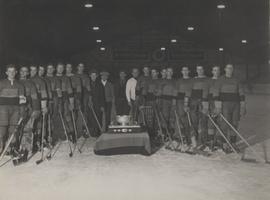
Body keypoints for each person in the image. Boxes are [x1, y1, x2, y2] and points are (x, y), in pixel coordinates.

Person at [213, 64, 246, 152]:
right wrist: (218, 106)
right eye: (228, 68)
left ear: (233, 69)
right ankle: (224, 143)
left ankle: (233, 142)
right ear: (225, 69)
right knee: (225, 123)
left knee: (234, 124)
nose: (229, 70)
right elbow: (216, 93)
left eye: (231, 68)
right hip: (225, 105)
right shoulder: (220, 80)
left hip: (236, 105)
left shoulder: (236, 80)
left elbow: (241, 93)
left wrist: (243, 105)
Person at [0, 64, 26, 156]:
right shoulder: (1, 83)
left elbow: (22, 100)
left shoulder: (20, 85)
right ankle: (0, 149)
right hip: (3, 110)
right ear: (6, 72)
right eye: (9, 71)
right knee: (1, 130)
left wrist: (22, 112)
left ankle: (11, 148)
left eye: (13, 71)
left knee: (13, 130)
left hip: (15, 110)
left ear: (16, 72)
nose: (11, 73)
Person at [18, 66, 40, 161]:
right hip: (16, 110)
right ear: (19, 72)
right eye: (22, 71)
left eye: (26, 71)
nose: (24, 73)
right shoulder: (15, 82)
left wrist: (36, 109)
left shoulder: (30, 84)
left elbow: (35, 97)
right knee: (17, 130)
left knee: (27, 129)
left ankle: (25, 150)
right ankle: (15, 148)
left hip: (28, 109)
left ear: (28, 73)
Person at [189, 65, 209, 150]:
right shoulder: (193, 80)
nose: (200, 71)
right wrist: (187, 103)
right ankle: (194, 141)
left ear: (203, 70)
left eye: (201, 69)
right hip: (193, 102)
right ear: (196, 70)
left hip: (203, 101)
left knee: (203, 122)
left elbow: (208, 91)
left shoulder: (207, 79)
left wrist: (205, 102)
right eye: (198, 69)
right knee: (194, 122)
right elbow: (188, 91)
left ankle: (203, 141)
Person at [55, 63, 75, 142]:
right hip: (56, 100)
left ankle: (72, 133)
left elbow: (70, 90)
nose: (60, 69)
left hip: (65, 99)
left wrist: (71, 102)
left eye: (61, 68)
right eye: (59, 68)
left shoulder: (66, 78)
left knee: (67, 115)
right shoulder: (54, 77)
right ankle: (64, 133)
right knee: (59, 116)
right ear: (56, 68)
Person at [29, 65, 48, 151]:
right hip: (28, 106)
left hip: (38, 105)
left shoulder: (40, 81)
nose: (33, 72)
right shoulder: (26, 80)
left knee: (39, 124)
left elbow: (44, 95)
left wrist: (44, 107)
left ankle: (41, 141)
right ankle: (29, 144)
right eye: (31, 70)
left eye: (34, 70)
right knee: (29, 126)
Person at [174, 66, 193, 148]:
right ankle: (178, 137)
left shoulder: (192, 80)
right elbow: (175, 92)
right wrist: (174, 103)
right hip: (180, 101)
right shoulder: (179, 81)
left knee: (188, 119)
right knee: (180, 118)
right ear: (181, 72)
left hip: (190, 101)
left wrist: (188, 102)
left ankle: (189, 138)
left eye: (186, 70)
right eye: (183, 70)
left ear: (189, 71)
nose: (185, 72)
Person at [157, 67, 177, 137]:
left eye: (171, 71)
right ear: (166, 72)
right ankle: (164, 134)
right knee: (164, 117)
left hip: (172, 101)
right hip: (164, 101)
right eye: (168, 71)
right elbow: (159, 93)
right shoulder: (162, 81)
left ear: (172, 72)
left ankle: (171, 134)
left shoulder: (175, 81)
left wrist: (174, 102)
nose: (170, 73)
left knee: (172, 117)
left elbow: (176, 92)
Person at [207, 66, 221, 150]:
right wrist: (207, 105)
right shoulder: (209, 81)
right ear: (212, 71)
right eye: (214, 70)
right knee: (211, 122)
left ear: (219, 72)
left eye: (217, 70)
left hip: (220, 103)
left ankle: (219, 140)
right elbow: (206, 93)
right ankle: (211, 141)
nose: (216, 72)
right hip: (211, 102)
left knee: (220, 122)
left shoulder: (221, 80)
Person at [89, 69, 105, 136]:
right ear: (90, 76)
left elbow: (102, 96)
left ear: (97, 76)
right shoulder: (88, 84)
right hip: (90, 104)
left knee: (98, 117)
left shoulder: (100, 84)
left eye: (95, 75)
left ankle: (98, 133)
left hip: (98, 104)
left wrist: (102, 105)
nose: (93, 77)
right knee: (91, 118)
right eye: (92, 75)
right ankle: (92, 133)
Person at [76, 63, 91, 131]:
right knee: (76, 111)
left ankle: (84, 127)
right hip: (76, 94)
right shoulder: (74, 76)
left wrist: (90, 96)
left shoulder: (86, 76)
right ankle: (75, 128)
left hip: (85, 94)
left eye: (82, 67)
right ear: (77, 67)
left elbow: (88, 87)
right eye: (80, 66)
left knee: (85, 110)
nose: (81, 68)